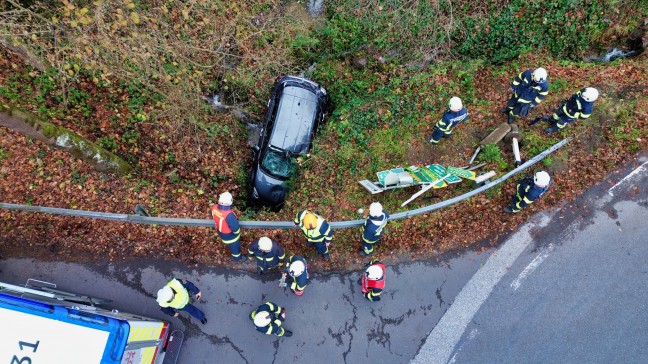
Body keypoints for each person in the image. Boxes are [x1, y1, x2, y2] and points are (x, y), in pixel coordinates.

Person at [529, 87, 599, 133]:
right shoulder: (584, 92)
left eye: (583, 96)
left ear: (588, 99)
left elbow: (584, 116)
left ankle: (553, 128)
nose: (581, 95)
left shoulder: (587, 107)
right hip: (566, 106)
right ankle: (551, 119)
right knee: (557, 114)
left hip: (570, 115)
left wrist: (573, 114)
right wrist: (568, 100)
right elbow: (576, 94)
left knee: (561, 122)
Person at [211, 192, 246, 262]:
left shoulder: (214, 207)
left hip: (220, 232)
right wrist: (237, 233)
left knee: (230, 244)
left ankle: (229, 247)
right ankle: (237, 258)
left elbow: (213, 216)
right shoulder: (229, 215)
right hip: (230, 236)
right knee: (235, 247)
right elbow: (235, 228)